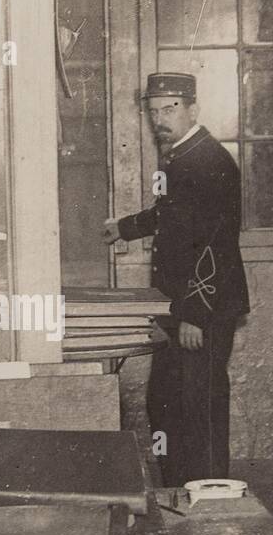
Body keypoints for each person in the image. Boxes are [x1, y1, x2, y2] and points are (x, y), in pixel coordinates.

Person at [103, 73, 250, 488]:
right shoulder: (184, 155)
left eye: (169, 109)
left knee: (197, 408)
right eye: (153, 111)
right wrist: (125, 227)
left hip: (199, 310)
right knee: (167, 404)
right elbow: (174, 216)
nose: (159, 119)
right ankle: (178, 493)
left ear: (192, 109)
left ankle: (205, 501)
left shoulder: (209, 162)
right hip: (179, 309)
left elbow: (214, 246)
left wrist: (194, 316)